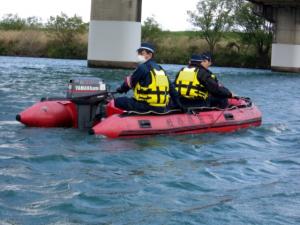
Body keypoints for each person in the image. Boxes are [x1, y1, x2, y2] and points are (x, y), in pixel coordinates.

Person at [115, 42, 182, 113]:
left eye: (142, 53)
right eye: (138, 53)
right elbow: (173, 91)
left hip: (146, 106)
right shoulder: (160, 69)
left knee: (117, 101)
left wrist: (120, 90)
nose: (139, 55)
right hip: (161, 108)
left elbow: (128, 84)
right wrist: (180, 106)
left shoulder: (142, 68)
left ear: (150, 55)